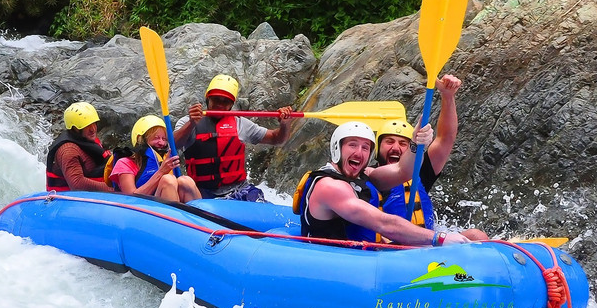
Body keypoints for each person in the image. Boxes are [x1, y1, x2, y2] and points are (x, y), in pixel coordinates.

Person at [296, 120, 471, 247]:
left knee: (475, 235)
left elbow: (403, 171)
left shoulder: (364, 174)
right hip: (334, 263)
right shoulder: (330, 186)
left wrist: (415, 144)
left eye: (365, 148)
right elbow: (384, 224)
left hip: (365, 254)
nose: (359, 152)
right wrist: (438, 238)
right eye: (352, 145)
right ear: (337, 148)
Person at [374, 74, 488, 240]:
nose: (396, 148)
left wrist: (447, 96)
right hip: (391, 249)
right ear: (378, 148)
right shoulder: (370, 178)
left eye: (403, 143)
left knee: (477, 235)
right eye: (389, 142)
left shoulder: (421, 171)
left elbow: (446, 138)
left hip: (428, 244)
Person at [173, 74, 293, 201]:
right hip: (202, 192)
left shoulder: (240, 123)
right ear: (208, 99)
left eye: (225, 101)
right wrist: (191, 124)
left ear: (231, 105)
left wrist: (285, 125)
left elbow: (277, 139)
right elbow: (173, 145)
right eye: (216, 99)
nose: (220, 104)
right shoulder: (187, 122)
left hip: (239, 189)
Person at [109, 115, 201, 203]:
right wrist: (161, 172)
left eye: (164, 139)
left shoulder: (167, 159)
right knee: (167, 180)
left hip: (167, 206)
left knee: (185, 181)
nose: (161, 143)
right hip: (143, 211)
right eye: (156, 138)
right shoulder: (125, 163)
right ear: (141, 140)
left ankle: (198, 217)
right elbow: (131, 200)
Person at [45, 102, 113, 192]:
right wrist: (113, 189)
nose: (93, 129)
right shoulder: (68, 151)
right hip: (68, 200)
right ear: (75, 128)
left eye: (94, 123)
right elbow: (77, 184)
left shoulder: (86, 139)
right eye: (87, 125)